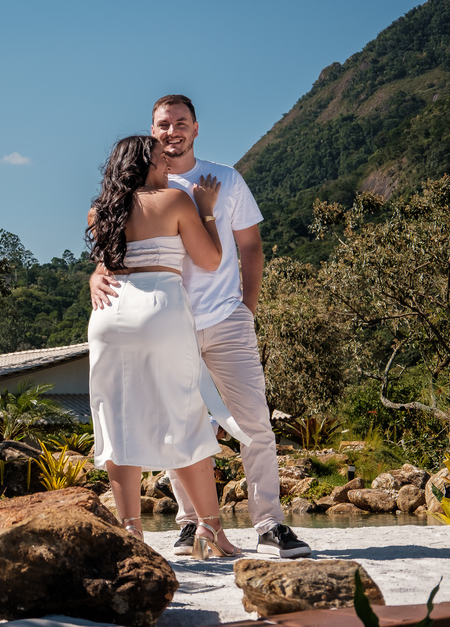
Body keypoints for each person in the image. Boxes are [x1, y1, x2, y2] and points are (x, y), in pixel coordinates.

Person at [91, 94, 312, 559]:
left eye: (180, 122)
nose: (171, 131)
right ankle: (192, 523)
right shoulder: (160, 190)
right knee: (177, 420)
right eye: (163, 124)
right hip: (172, 323)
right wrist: (97, 272)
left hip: (219, 319)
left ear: (195, 128)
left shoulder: (225, 179)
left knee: (252, 421)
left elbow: (250, 247)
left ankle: (269, 524)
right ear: (152, 134)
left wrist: (247, 308)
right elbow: (118, 253)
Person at [86, 134, 242, 559]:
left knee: (116, 420)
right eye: (161, 155)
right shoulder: (174, 200)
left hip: (109, 314)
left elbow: (104, 265)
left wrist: (93, 277)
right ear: (145, 162)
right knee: (184, 413)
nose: (168, 160)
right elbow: (210, 260)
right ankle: (210, 528)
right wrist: (206, 210)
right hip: (158, 307)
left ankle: (131, 530)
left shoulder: (101, 210)